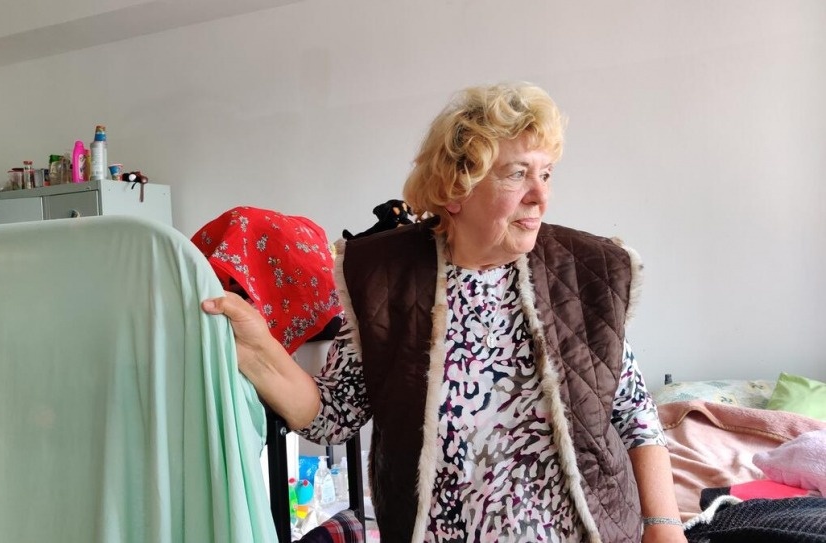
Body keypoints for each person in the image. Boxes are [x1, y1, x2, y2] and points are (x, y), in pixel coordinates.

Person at [202, 83, 687, 543]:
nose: (540, 195)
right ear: (456, 191)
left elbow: (635, 415)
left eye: (546, 173)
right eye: (517, 174)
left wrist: (664, 526)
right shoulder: (388, 282)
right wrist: (257, 348)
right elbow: (332, 418)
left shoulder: (580, 273)